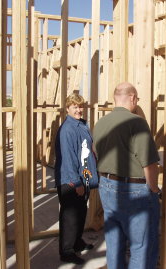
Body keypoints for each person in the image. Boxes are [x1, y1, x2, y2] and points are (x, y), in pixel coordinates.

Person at [93, 82, 161, 269]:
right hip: (133, 191)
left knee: (114, 244)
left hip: (106, 185)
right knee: (141, 246)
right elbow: (149, 163)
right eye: (137, 99)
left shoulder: (100, 123)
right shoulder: (136, 122)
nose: (136, 102)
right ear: (132, 98)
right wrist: (154, 190)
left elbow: (94, 152)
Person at [55, 93, 98, 264]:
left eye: (81, 107)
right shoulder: (67, 130)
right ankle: (66, 251)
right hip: (71, 181)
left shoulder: (81, 125)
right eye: (75, 107)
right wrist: (76, 183)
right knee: (70, 218)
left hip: (83, 177)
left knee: (81, 213)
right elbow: (68, 159)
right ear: (67, 109)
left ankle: (77, 242)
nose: (79, 110)